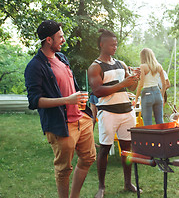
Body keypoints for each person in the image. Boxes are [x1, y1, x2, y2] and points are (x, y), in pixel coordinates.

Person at [24, 20, 96, 198]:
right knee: (64, 169)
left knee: (88, 158)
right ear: (48, 40)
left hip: (81, 119)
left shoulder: (62, 58)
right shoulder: (35, 66)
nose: (63, 39)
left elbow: (69, 84)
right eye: (60, 36)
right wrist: (67, 100)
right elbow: (34, 101)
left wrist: (79, 97)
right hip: (61, 125)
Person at [87, 29, 140, 198]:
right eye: (111, 44)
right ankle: (101, 187)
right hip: (108, 113)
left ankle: (127, 182)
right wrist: (121, 83)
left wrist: (135, 79)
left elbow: (129, 87)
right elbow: (98, 91)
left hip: (126, 111)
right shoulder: (95, 67)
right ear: (101, 45)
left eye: (116, 44)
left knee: (127, 149)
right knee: (104, 149)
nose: (115, 47)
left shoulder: (121, 64)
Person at [134, 48, 166, 126]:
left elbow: (141, 84)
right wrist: (161, 95)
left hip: (147, 93)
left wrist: (136, 98)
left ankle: (150, 138)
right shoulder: (159, 66)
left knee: (147, 122)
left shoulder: (143, 66)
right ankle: (163, 137)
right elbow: (164, 83)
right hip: (157, 92)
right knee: (160, 121)